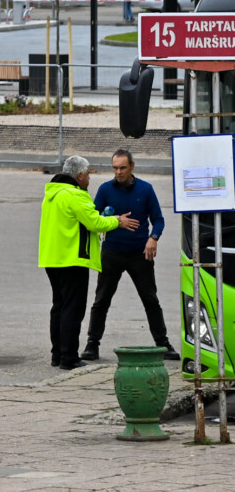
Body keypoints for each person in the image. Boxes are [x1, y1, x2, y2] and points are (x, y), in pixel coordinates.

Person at [38, 155, 137, 369]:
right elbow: (94, 223)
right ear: (80, 175)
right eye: (88, 174)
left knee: (59, 306)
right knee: (72, 309)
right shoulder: (75, 195)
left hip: (52, 258)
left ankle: (57, 354)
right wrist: (117, 221)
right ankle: (69, 357)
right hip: (73, 259)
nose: (90, 178)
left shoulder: (52, 194)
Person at [83, 149, 176, 361]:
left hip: (139, 254)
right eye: (115, 168)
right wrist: (115, 220)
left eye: (123, 168)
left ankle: (163, 343)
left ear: (132, 166)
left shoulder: (145, 189)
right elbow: (94, 218)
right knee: (101, 300)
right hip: (112, 252)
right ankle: (92, 344)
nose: (118, 172)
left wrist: (153, 238)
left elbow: (158, 219)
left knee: (150, 299)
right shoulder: (105, 189)